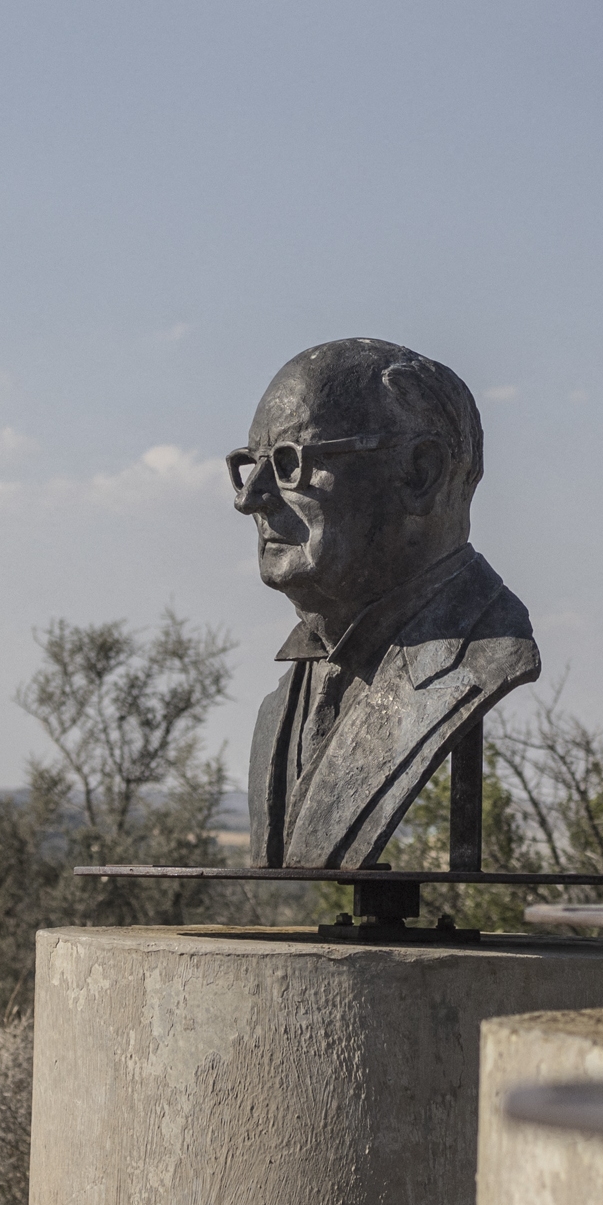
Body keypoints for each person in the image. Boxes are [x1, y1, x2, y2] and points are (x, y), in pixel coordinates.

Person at [234, 339, 537, 871]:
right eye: (249, 464)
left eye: (289, 463)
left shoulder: (485, 655)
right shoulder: (281, 705)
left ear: (420, 474)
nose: (250, 498)